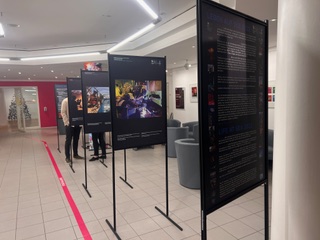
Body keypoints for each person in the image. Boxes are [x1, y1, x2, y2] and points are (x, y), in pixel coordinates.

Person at [61, 97, 83, 163]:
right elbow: (63, 112)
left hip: (77, 123)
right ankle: (67, 156)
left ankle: (75, 154)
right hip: (69, 124)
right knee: (68, 140)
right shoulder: (65, 101)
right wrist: (67, 122)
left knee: (76, 139)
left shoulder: (79, 100)